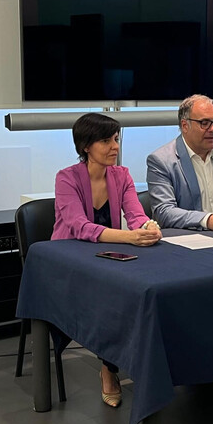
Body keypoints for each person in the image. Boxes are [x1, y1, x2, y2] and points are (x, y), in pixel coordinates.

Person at [52, 113, 161, 408]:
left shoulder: (121, 175)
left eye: (115, 139)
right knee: (108, 297)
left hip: (105, 256)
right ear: (86, 146)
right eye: (106, 141)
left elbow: (136, 215)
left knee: (132, 290)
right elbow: (79, 227)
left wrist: (148, 227)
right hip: (69, 260)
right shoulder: (66, 178)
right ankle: (109, 368)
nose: (115, 146)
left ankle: (124, 360)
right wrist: (129, 237)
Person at [146, 94, 213, 230]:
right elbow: (164, 212)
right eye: (204, 123)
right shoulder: (162, 160)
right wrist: (207, 220)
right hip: (189, 236)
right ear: (185, 125)